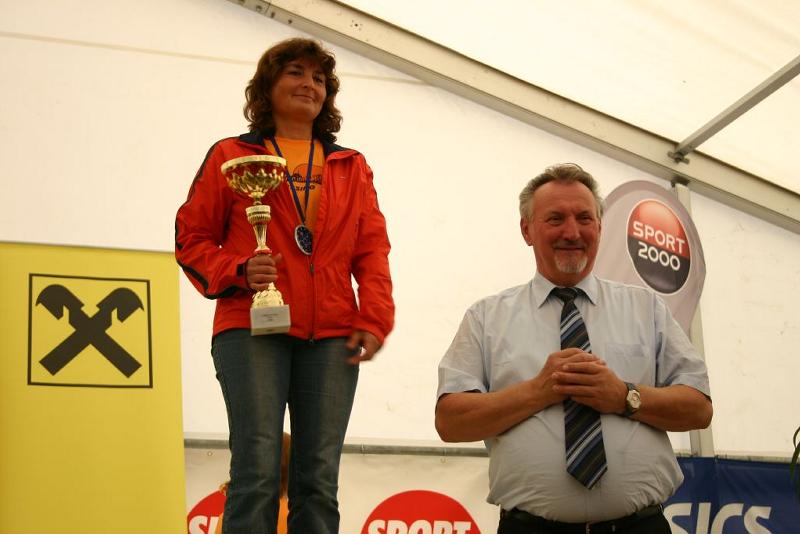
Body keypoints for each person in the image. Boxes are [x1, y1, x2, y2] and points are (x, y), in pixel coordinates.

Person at [176, 37, 394, 534]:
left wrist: (374, 316)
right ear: (267, 86)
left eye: (319, 78)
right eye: (296, 72)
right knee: (257, 469)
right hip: (250, 327)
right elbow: (191, 238)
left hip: (334, 333)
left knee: (319, 477)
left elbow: (372, 250)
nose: (309, 84)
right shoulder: (232, 155)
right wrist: (237, 270)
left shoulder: (351, 164)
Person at [435, 163, 712, 533]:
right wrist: (537, 391)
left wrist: (624, 397)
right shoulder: (486, 318)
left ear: (599, 227)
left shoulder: (645, 309)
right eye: (555, 219)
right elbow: (450, 421)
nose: (572, 232)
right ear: (526, 230)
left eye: (584, 218)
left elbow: (699, 408)